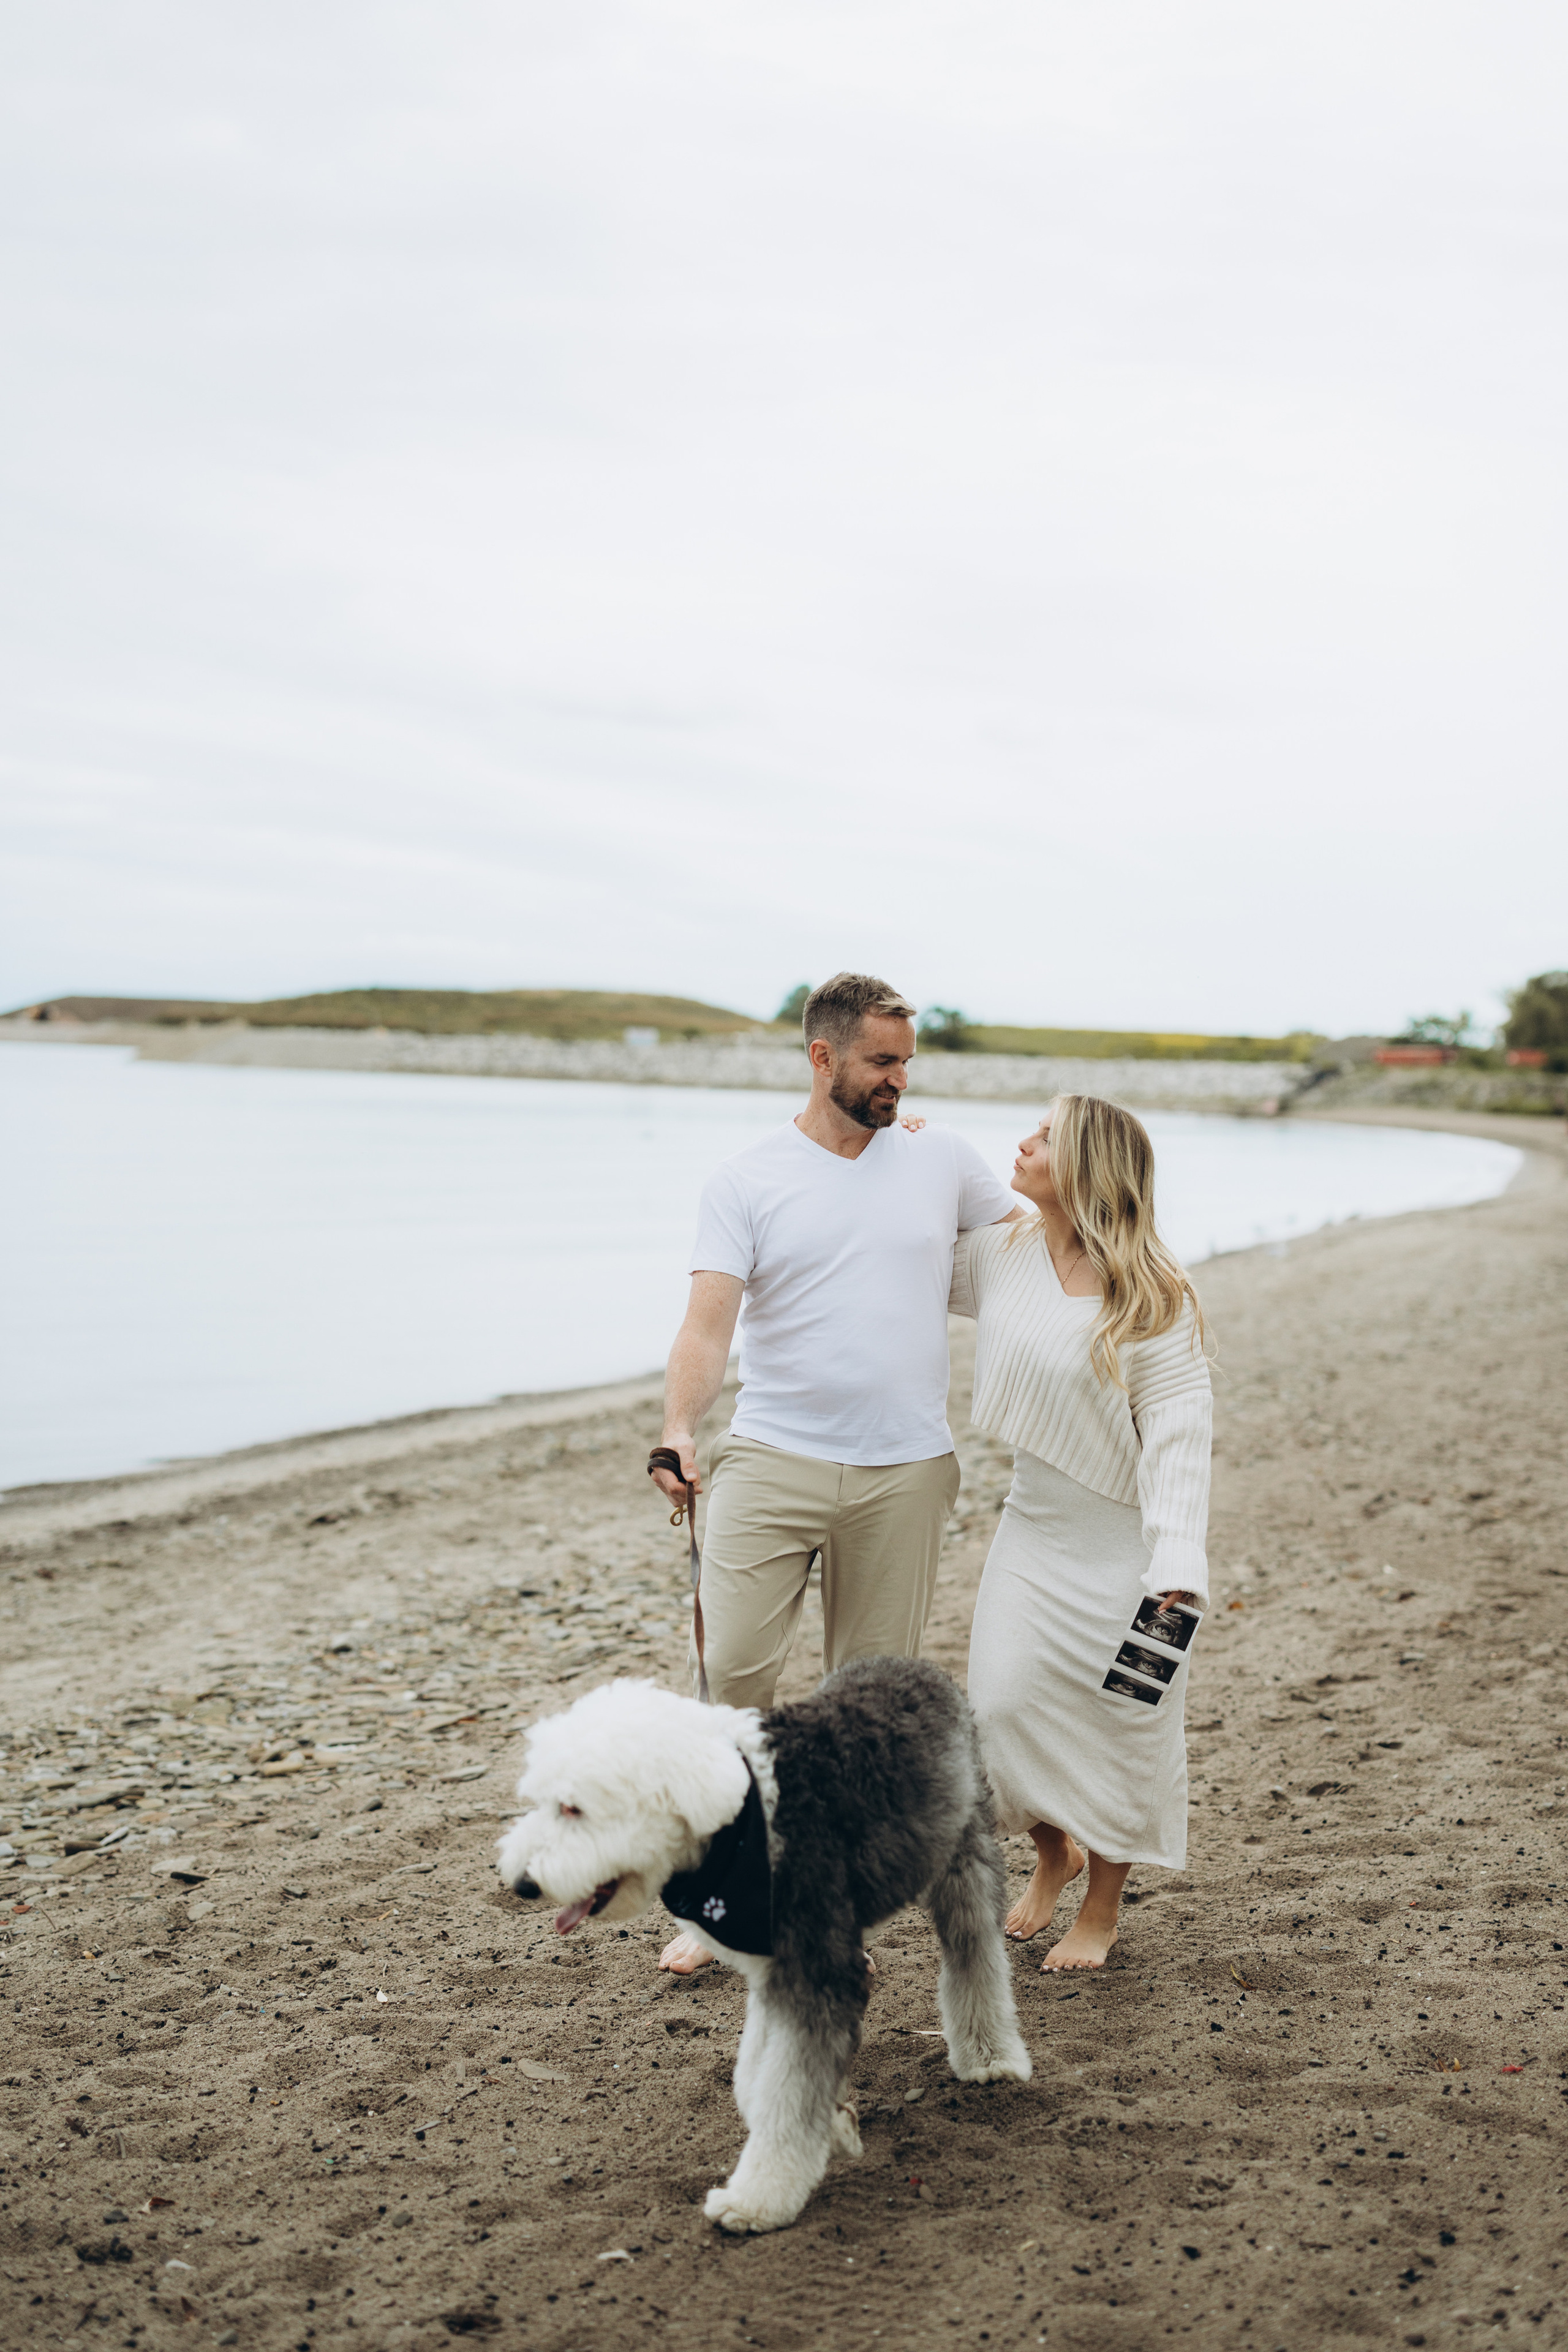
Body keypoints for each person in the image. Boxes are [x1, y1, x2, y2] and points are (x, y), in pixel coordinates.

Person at [648, 971, 1019, 1973]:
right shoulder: (747, 1180)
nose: (899, 1079)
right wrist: (682, 1428)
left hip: (906, 1471)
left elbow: (1029, 1247)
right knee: (732, 1673)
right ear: (823, 1059)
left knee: (862, 1706)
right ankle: (715, 1893)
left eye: (907, 1062)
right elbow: (706, 1323)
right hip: (774, 1458)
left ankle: (826, 1893)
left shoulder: (940, 1157)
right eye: (881, 1062)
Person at [950, 1093, 1212, 1972]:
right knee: (999, 1708)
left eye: (1045, 1136)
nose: (1020, 1143)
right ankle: (1051, 1850)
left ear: (1089, 1167)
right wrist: (899, 1148)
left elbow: (1179, 1440)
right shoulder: (1000, 1255)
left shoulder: (1157, 1295)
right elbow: (895, 1252)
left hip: (1130, 1548)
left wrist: (1177, 1564)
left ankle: (1100, 1908)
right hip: (1033, 1529)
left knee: (1124, 1726)